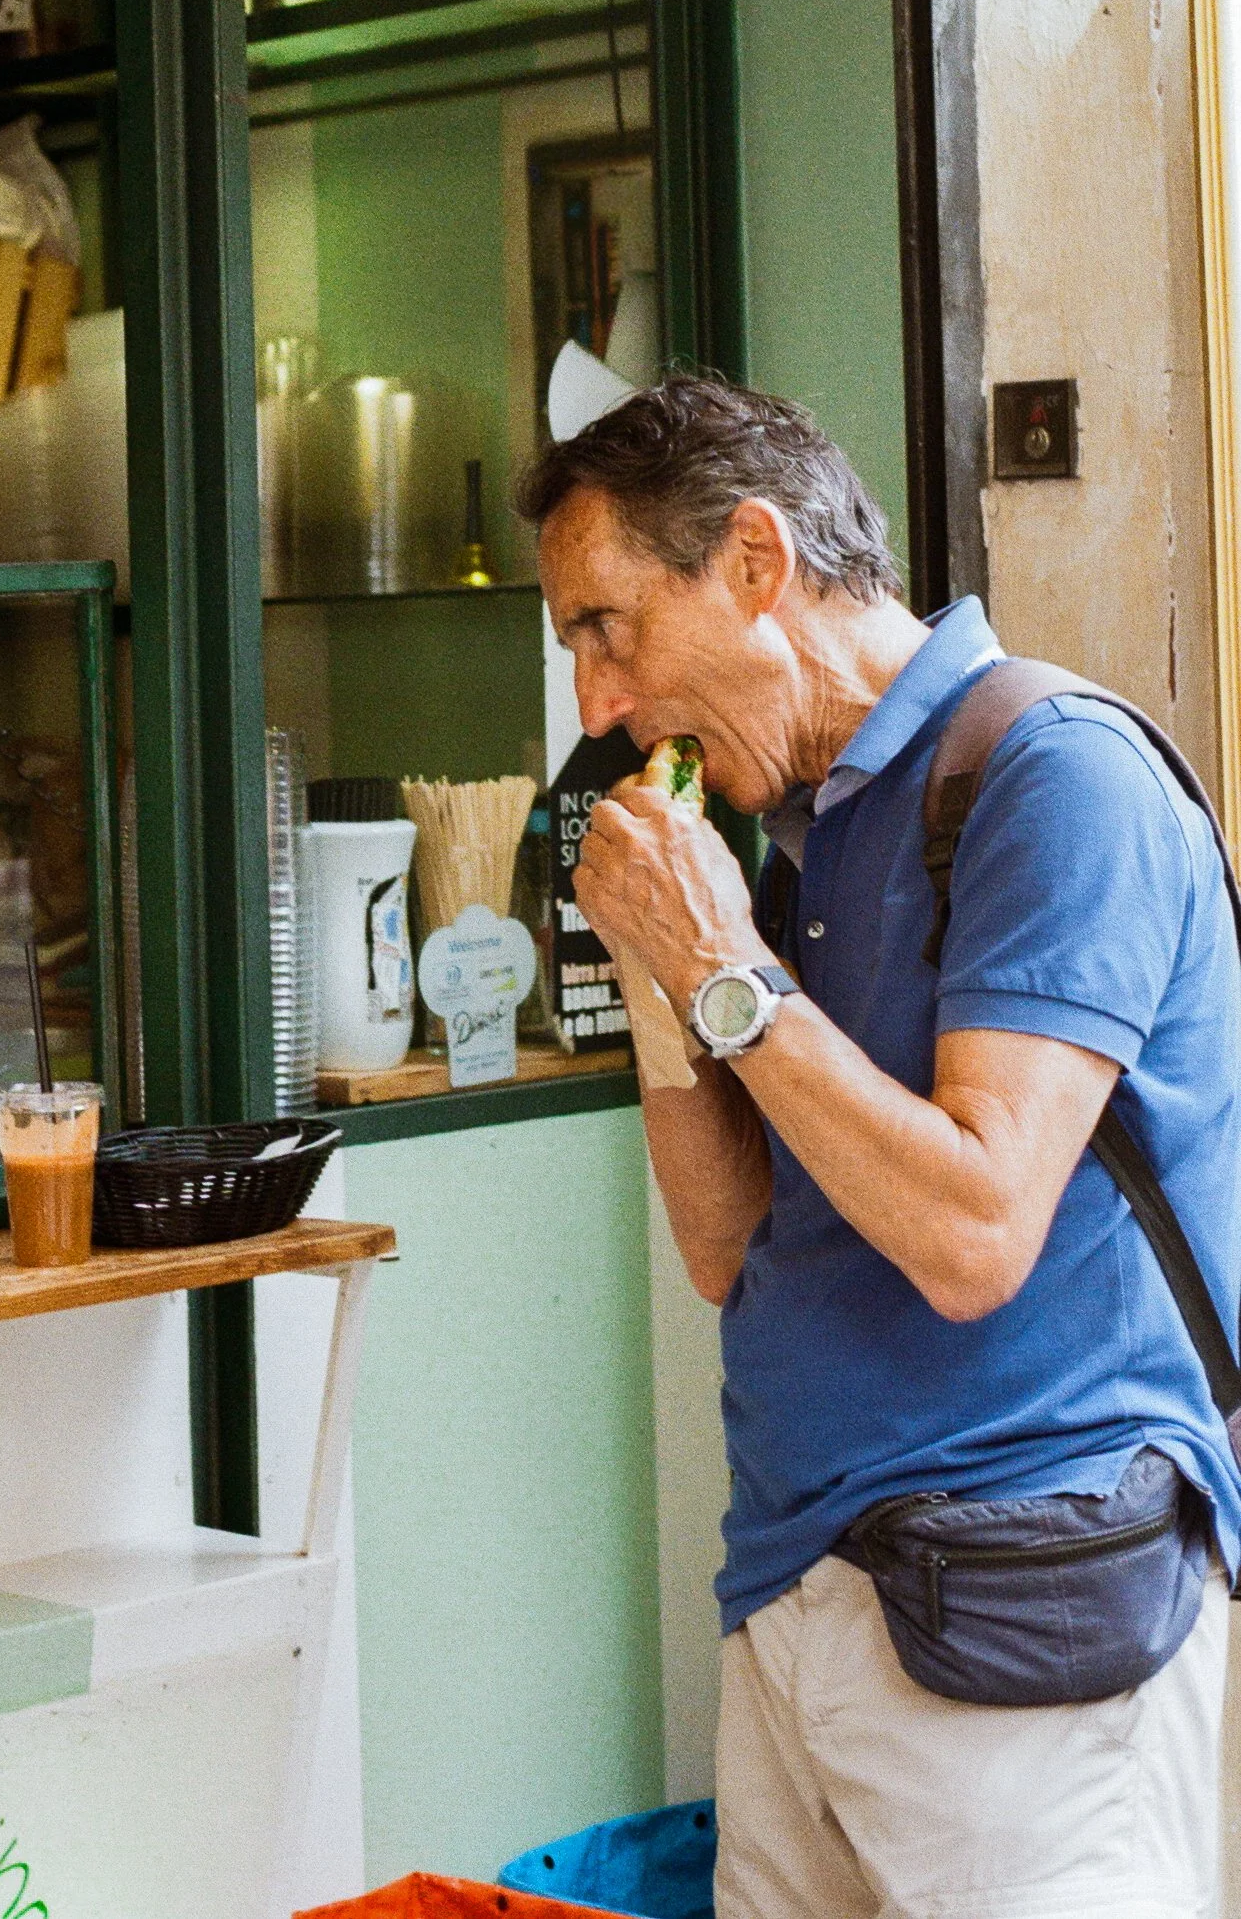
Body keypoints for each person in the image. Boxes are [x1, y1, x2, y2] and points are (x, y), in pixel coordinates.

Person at [522, 372, 1241, 1919]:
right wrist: (665, 979)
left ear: (758, 565)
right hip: (796, 1592)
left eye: (608, 628)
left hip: (1025, 1608)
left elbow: (976, 1229)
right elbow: (723, 1245)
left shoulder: (1058, 778)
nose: (593, 704)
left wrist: (723, 961)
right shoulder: (799, 832)